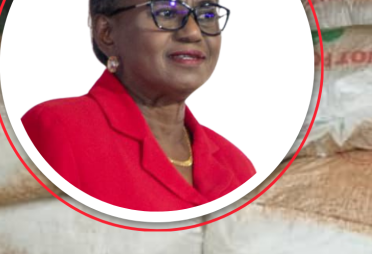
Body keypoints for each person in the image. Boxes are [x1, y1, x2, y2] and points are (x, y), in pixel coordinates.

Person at [22, 1, 255, 212]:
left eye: (206, 15)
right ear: (106, 33)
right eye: (166, 12)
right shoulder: (58, 130)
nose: (193, 32)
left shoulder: (237, 166)